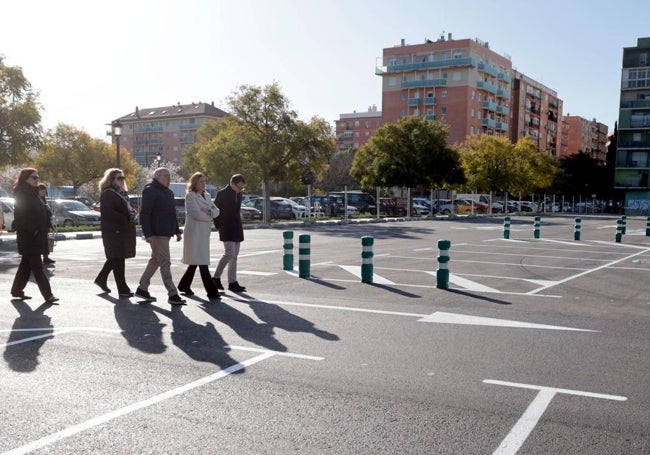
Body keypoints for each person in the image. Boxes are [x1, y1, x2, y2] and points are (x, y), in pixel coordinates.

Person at [135, 168, 186, 305]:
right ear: (157, 177)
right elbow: (145, 214)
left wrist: (176, 230)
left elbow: (172, 213)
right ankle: (172, 294)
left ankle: (142, 288)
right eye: (166, 176)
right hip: (157, 233)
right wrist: (148, 234)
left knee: (156, 260)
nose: (169, 178)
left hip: (166, 232)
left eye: (170, 176)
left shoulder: (168, 192)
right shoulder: (150, 190)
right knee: (165, 262)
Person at [10, 168, 59, 304]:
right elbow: (20, 218)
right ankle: (48, 295)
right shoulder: (22, 194)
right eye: (34, 177)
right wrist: (34, 230)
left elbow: (38, 213)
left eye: (38, 177)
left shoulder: (33, 193)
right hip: (29, 237)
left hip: (36, 236)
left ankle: (16, 291)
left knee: (25, 265)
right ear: (25, 179)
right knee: (37, 268)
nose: (37, 179)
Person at [177, 172, 221, 300]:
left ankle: (183, 285)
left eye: (204, 181)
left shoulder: (207, 196)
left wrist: (208, 212)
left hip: (203, 232)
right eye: (200, 181)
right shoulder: (190, 196)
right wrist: (209, 215)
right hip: (194, 233)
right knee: (202, 261)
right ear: (194, 183)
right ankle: (212, 291)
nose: (203, 184)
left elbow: (217, 211)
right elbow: (195, 213)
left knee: (196, 261)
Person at [94, 168, 137, 297]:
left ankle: (101, 279)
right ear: (111, 180)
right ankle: (122, 288)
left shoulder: (121, 193)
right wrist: (124, 218)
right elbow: (107, 212)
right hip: (114, 231)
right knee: (117, 258)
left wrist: (131, 214)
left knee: (117, 258)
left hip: (122, 229)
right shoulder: (108, 193)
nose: (122, 180)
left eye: (123, 177)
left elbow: (125, 208)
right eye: (119, 178)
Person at [212, 174, 247, 293]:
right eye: (239, 187)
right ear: (232, 184)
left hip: (237, 227)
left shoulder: (239, 193)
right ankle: (215, 277)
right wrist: (219, 226)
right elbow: (215, 212)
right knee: (229, 253)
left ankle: (232, 282)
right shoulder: (222, 194)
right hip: (226, 228)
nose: (241, 189)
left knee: (235, 256)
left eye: (243, 188)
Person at [37, 183, 56, 265]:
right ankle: (38, 258)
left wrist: (48, 209)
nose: (43, 193)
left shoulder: (44, 199)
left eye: (44, 191)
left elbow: (49, 213)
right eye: (41, 191)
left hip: (45, 223)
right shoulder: (35, 199)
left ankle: (46, 257)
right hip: (38, 224)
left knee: (45, 241)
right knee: (39, 242)